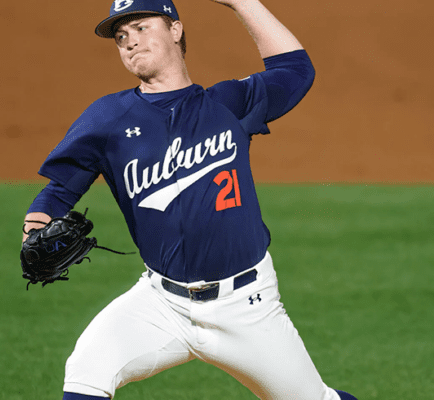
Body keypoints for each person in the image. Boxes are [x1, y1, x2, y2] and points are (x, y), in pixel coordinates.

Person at [22, 0, 358, 399]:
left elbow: (296, 71)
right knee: (85, 372)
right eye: (121, 36)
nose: (130, 41)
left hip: (247, 306)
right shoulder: (108, 118)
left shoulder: (227, 104)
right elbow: (59, 190)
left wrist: (241, 2)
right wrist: (34, 229)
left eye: (142, 27)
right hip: (161, 303)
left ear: (176, 31)